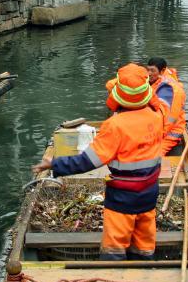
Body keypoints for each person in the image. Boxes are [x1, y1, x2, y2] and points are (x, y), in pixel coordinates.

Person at [33, 64, 165, 260]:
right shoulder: (156, 117)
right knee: (144, 241)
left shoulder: (115, 125)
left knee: (115, 245)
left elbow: (88, 162)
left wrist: (54, 164)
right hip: (149, 192)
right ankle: (145, 268)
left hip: (122, 197)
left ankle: (114, 274)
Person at [147, 57, 187, 155]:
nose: (149, 73)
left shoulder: (173, 91)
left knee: (154, 155)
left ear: (162, 71)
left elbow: (169, 122)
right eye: (148, 70)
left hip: (170, 133)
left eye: (152, 70)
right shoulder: (157, 81)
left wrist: (152, 137)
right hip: (159, 127)